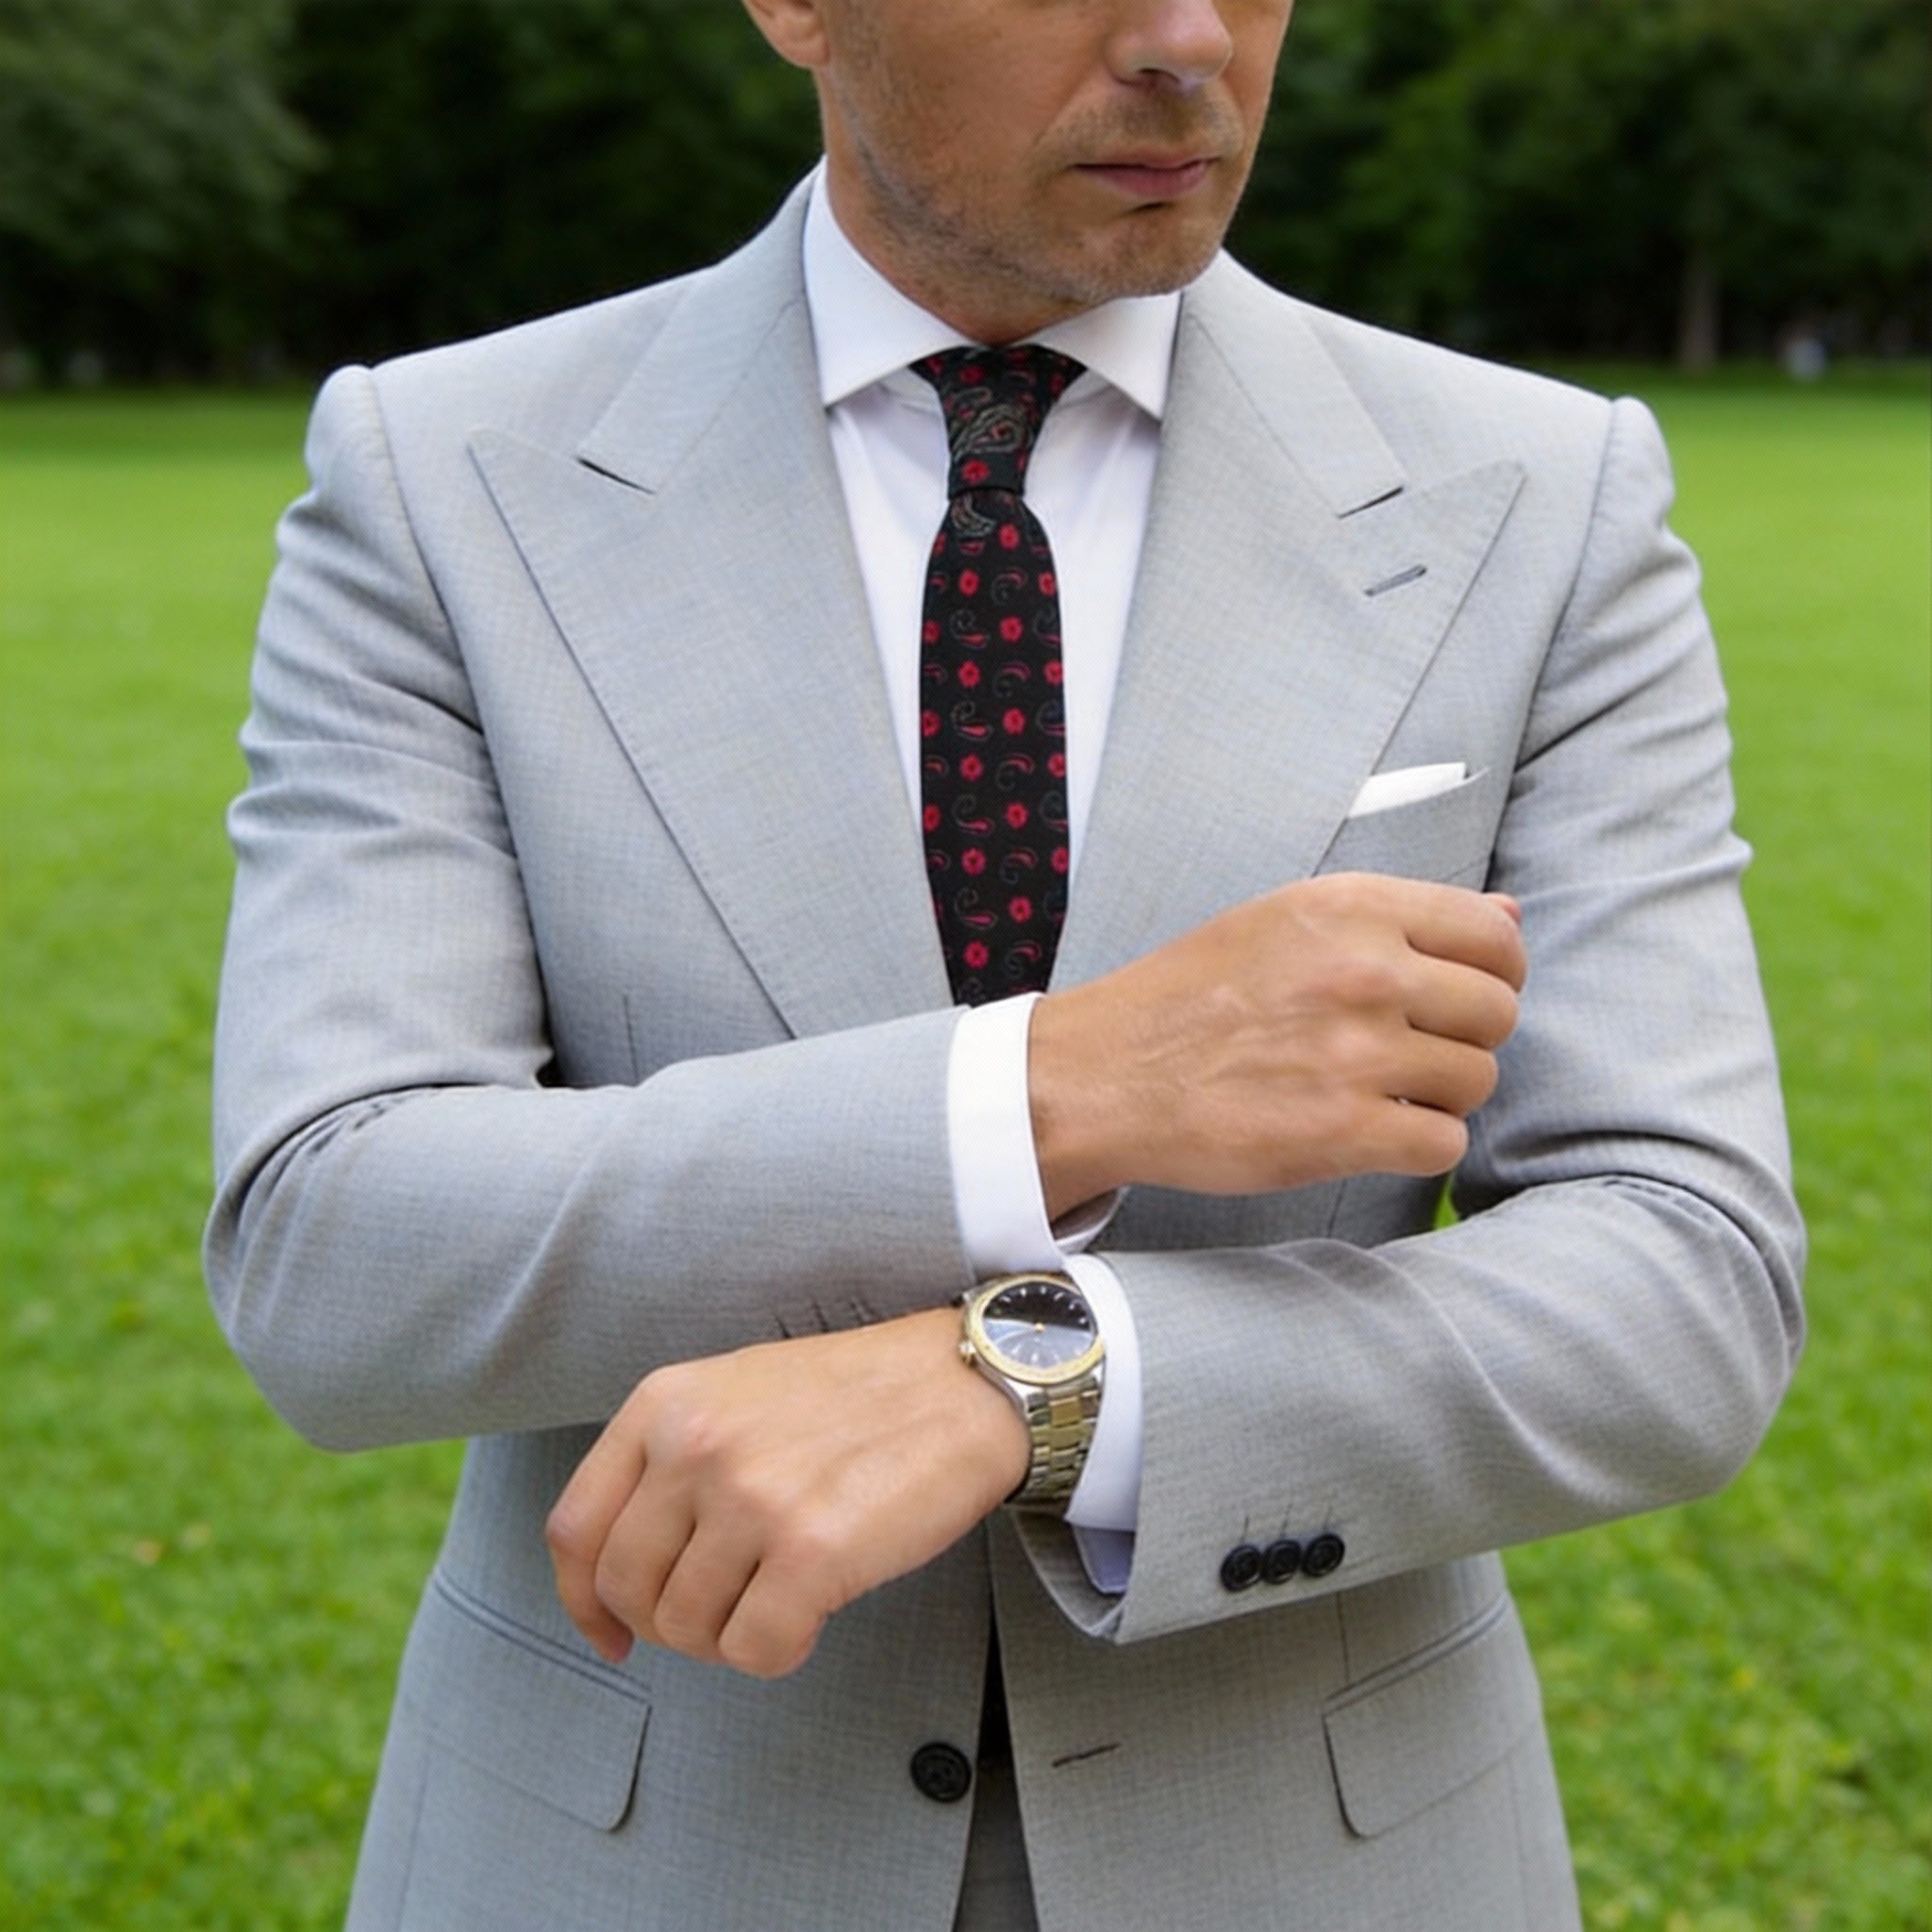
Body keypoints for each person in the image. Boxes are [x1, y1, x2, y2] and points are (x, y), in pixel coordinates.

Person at [206, 2, 1806, 1927]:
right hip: (635, 1855)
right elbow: (331, 1244)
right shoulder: (441, 475)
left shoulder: (1543, 493)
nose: (1188, 36)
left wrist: (1037, 1382)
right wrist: (1059, 1090)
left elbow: (1685, 1279)